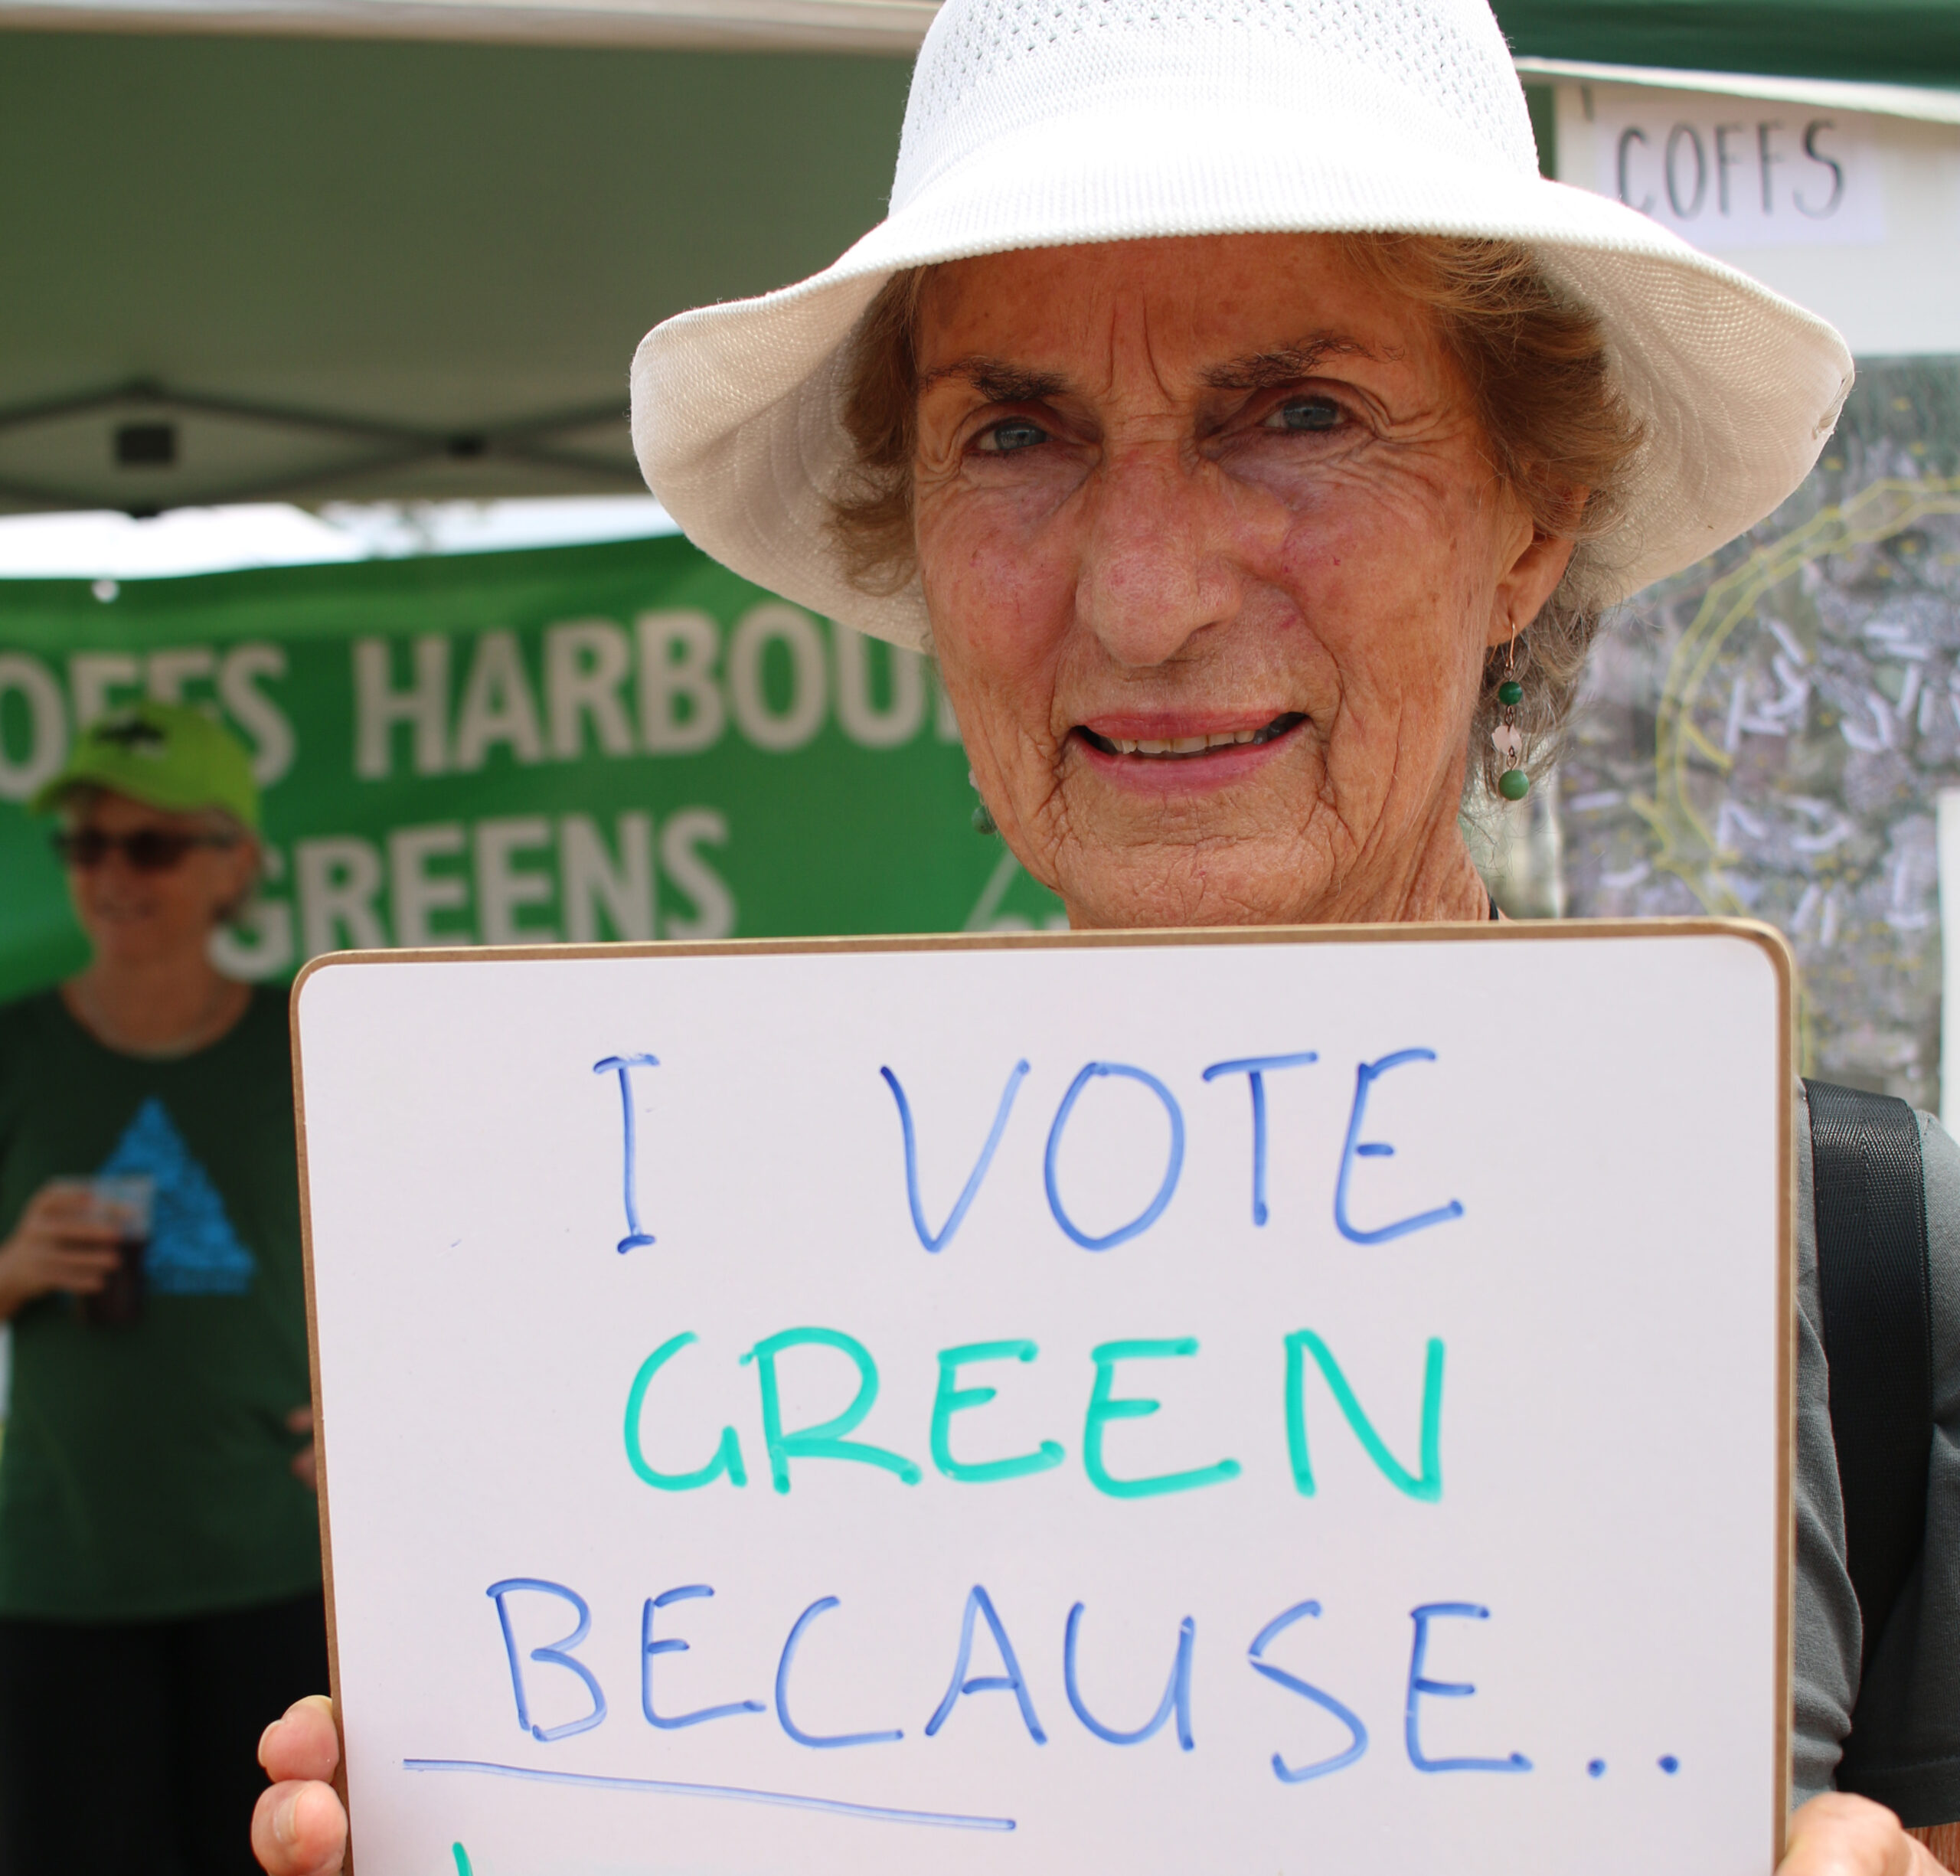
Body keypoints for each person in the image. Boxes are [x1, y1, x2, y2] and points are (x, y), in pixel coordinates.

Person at [253, 0, 1955, 1868]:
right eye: (1012, 432)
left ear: (1530, 516)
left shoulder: (1868, 1264)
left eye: (1296, 415)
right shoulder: (670, 1301)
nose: (1139, 599)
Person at [0, 700, 325, 1874]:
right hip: (61, 1580)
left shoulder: (301, 1042)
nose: (113, 876)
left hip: (271, 1567)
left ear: (232, 861)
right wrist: (10, 1269)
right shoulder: (19, 1050)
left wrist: (368, 1424)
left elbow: (422, 1268)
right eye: (88, 847)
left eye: (149, 845)